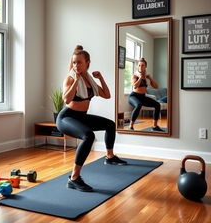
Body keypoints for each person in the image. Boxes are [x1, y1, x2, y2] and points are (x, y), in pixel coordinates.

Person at [56, 45, 127, 192]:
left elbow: (107, 95)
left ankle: (109, 156)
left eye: (79, 62)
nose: (76, 65)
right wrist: (75, 81)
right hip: (66, 117)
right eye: (74, 62)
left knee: (110, 124)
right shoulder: (70, 79)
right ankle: (74, 178)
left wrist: (100, 78)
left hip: (81, 117)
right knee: (89, 136)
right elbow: (66, 100)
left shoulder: (89, 80)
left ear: (87, 63)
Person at [128, 58, 163, 132]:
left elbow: (156, 87)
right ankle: (130, 126)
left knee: (157, 105)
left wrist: (150, 78)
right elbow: (135, 86)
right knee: (138, 105)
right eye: (139, 65)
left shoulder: (147, 76)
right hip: (134, 96)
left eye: (142, 65)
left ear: (145, 66)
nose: (140, 67)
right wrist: (140, 77)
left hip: (142, 97)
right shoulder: (135, 75)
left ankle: (154, 126)